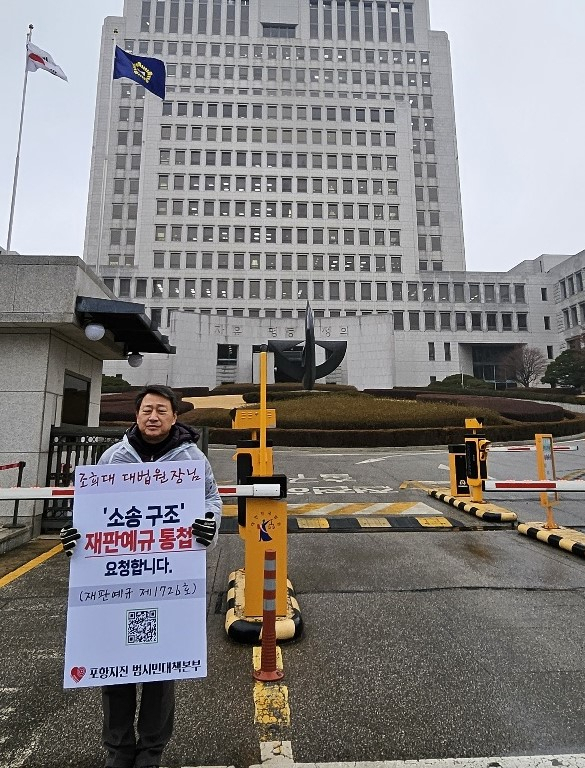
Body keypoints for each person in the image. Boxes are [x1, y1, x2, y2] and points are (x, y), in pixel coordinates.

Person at [60, 384, 222, 768]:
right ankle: (118, 749)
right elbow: (90, 509)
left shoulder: (192, 459)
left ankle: (152, 750)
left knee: (160, 668)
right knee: (116, 664)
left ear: (175, 416)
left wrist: (208, 526)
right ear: (137, 414)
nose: (154, 416)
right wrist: (75, 534)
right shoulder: (114, 457)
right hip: (118, 583)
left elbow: (212, 500)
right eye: (147, 409)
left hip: (168, 581)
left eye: (162, 410)